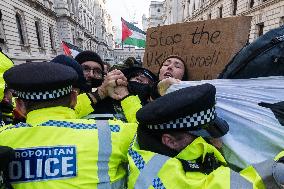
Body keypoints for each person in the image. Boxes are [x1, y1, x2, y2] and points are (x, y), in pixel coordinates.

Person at [0, 62, 137, 189]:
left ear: (19, 105)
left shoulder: (4, 137)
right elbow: (147, 127)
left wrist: (100, 93)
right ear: (73, 98)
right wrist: (125, 96)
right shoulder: (112, 132)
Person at [127, 83, 281, 188]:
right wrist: (277, 167)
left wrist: (126, 98)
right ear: (170, 141)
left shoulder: (149, 134)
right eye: (203, 135)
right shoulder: (166, 177)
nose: (214, 140)